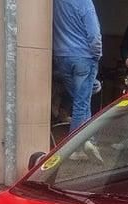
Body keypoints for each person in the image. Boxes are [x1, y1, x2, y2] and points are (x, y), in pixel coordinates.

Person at [52, 0, 102, 132]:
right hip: (83, 58)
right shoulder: (85, 3)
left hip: (61, 56)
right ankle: (75, 147)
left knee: (81, 100)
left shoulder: (57, 3)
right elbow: (94, 35)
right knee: (81, 104)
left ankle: (88, 140)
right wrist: (97, 56)